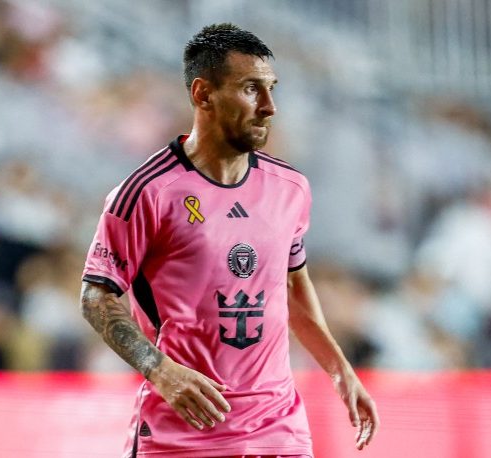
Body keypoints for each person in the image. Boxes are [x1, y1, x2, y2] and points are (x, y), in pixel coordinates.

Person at [80, 23, 379, 458]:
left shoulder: (290, 188)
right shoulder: (146, 192)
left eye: (271, 88)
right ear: (203, 95)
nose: (270, 106)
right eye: (251, 89)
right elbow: (95, 297)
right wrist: (160, 371)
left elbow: (292, 285)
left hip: (279, 429)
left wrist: (339, 370)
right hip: (182, 436)